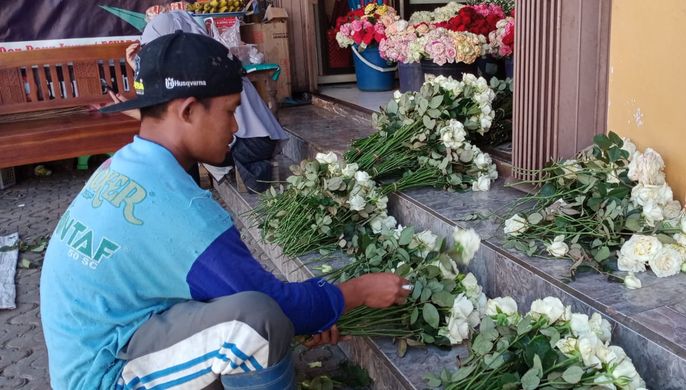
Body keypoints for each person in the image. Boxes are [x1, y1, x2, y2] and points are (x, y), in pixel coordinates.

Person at [40, 31, 409, 390]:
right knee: (258, 323)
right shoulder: (178, 208)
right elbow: (274, 305)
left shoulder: (124, 166)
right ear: (187, 110)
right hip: (108, 376)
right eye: (230, 111)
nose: (235, 128)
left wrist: (317, 311)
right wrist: (356, 292)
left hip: (112, 345)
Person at [118, 11, 287, 192]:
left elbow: (172, 119)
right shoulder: (208, 61)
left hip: (253, 144)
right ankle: (191, 191)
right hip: (254, 141)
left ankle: (189, 193)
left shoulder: (199, 75)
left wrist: (133, 110)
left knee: (180, 143)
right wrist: (139, 67)